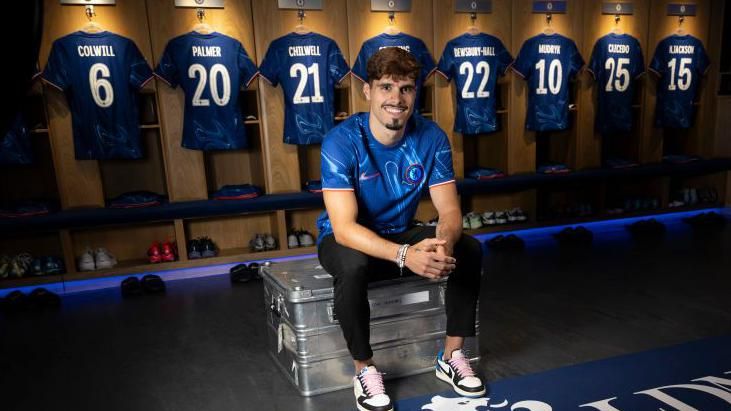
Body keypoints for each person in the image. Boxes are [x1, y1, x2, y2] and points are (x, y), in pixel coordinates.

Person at [316, 47, 484, 411]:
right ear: (368, 91)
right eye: (386, 87)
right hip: (347, 238)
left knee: (468, 249)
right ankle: (364, 368)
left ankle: (452, 356)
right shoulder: (341, 141)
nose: (396, 98)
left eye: (406, 88)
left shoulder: (431, 137)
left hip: (399, 231)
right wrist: (406, 255)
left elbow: (450, 209)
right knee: (352, 265)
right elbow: (343, 228)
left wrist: (443, 244)